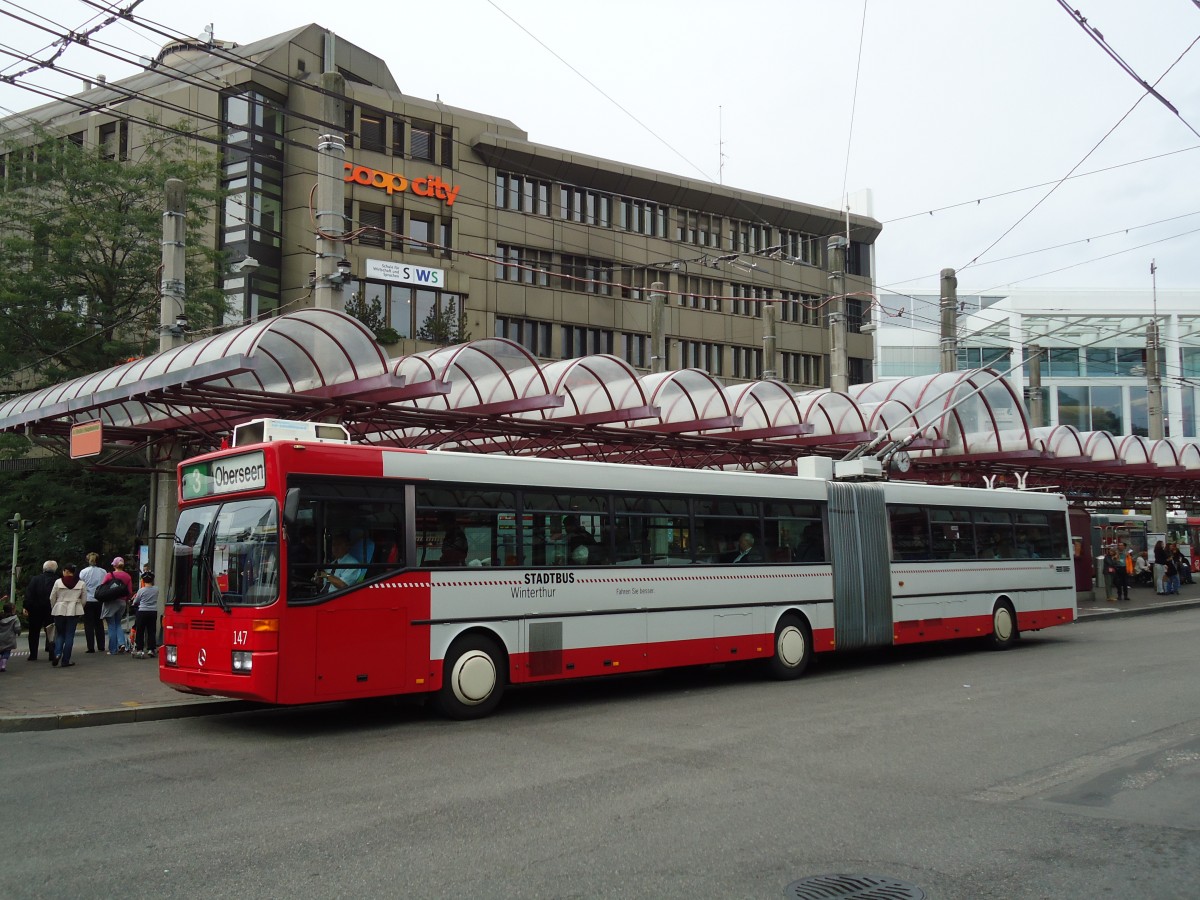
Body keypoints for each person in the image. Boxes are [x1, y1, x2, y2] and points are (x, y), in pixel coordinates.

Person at [49, 562, 87, 667]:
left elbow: (52, 597)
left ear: (66, 571)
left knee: (60, 634)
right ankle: (66, 660)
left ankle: (57, 654)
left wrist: (55, 607)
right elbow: (84, 600)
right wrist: (79, 608)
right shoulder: (81, 583)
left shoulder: (58, 582)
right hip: (74, 610)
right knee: (69, 635)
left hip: (59, 609)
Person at [22, 560, 58, 663]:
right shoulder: (57, 580)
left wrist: (26, 607)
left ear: (43, 569)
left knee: (33, 632)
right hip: (51, 609)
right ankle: (51, 653)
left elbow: (29, 594)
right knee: (51, 631)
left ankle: (33, 654)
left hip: (35, 609)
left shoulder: (35, 579)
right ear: (55, 569)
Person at [99, 557, 134, 654]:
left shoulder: (109, 575)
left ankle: (113, 649)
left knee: (111, 625)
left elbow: (102, 588)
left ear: (114, 565)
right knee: (118, 623)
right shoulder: (127, 576)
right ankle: (122, 643)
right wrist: (126, 600)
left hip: (110, 602)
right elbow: (130, 592)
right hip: (122, 603)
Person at [79, 551, 107, 653]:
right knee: (99, 623)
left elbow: (81, 586)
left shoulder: (83, 572)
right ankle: (101, 645)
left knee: (88, 624)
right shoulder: (103, 572)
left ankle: (90, 647)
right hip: (99, 599)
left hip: (88, 599)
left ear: (87, 560)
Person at [130, 571, 159, 658]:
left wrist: (133, 602)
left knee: (140, 631)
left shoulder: (141, 590)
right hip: (153, 611)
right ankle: (151, 649)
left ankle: (140, 649)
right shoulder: (156, 589)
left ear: (143, 580)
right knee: (151, 630)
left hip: (142, 611)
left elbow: (136, 601)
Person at [0, 600, 20, 673]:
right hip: (9, 638)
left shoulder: (0, 618)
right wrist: (18, 632)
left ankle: (1, 662)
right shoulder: (15, 619)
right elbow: (17, 628)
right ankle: (3, 664)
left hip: (0, 638)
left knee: (1, 650)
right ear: (12, 610)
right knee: (6, 652)